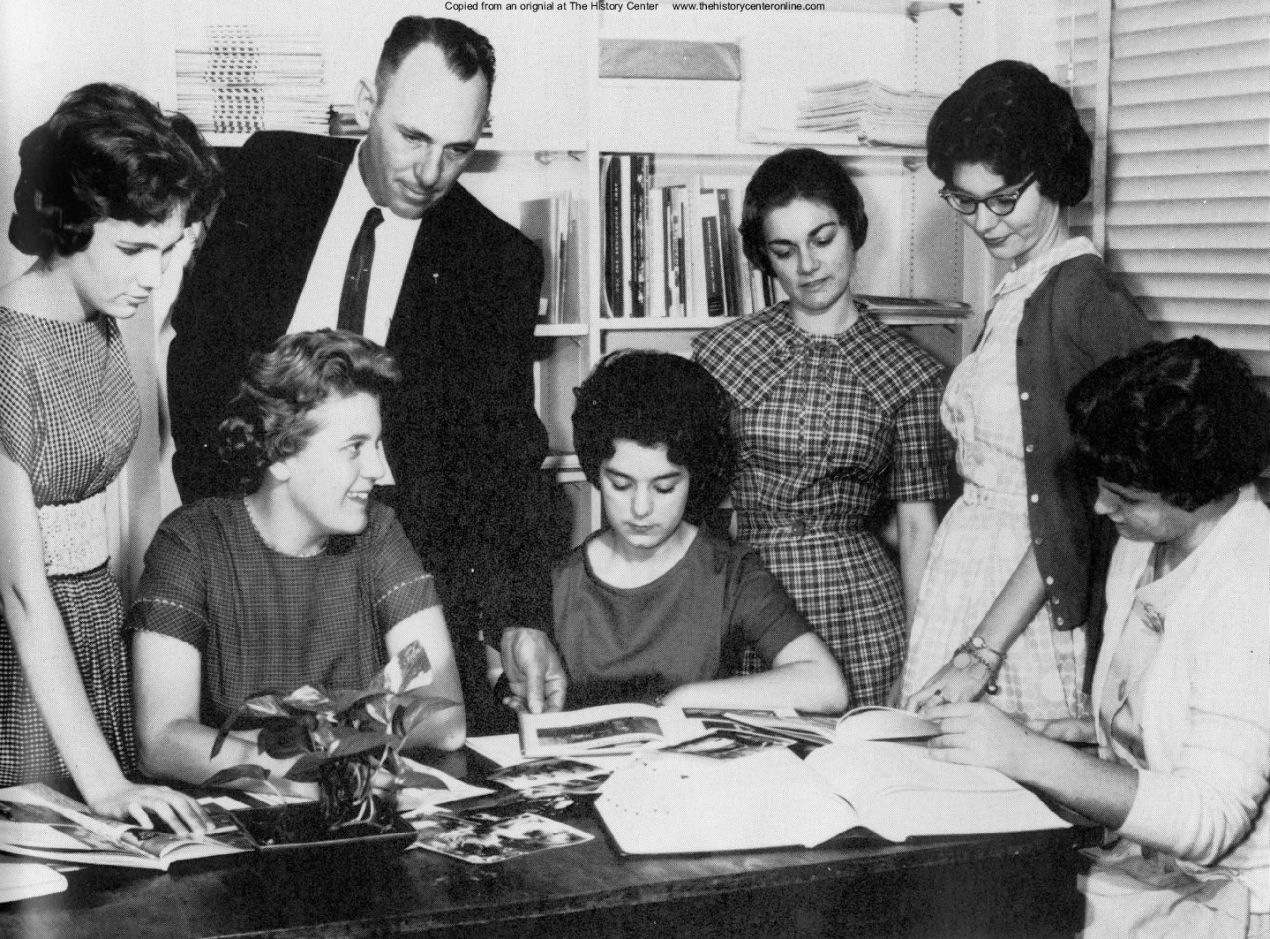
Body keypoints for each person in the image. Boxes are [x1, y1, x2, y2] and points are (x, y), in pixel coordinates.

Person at [165, 16, 564, 732]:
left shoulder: (495, 261)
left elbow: (506, 460)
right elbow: (197, 360)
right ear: (363, 103)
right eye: (413, 137)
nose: (430, 172)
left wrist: (519, 617)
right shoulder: (269, 173)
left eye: (459, 149)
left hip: (397, 590)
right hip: (246, 560)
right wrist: (237, 530)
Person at [925, 337, 1270, 937]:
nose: (1102, 507)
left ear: (1203, 486)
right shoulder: (1146, 544)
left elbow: (1208, 819)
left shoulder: (1251, 582)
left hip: (1231, 896)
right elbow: (1188, 707)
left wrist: (1030, 755)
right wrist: (1094, 733)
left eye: (1127, 496)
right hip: (1147, 868)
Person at [902, 60, 1153, 720]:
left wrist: (982, 651)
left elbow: (1077, 502)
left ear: (1055, 175)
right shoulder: (1021, 289)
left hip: (1024, 611)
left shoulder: (1084, 300)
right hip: (973, 581)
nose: (983, 222)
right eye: (964, 200)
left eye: (1003, 198)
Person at [0, 83, 220, 834]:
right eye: (133, 248)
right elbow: (22, 592)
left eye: (170, 247)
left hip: (93, 625)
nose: (154, 276)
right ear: (71, 221)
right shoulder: (6, 355)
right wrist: (105, 785)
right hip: (20, 658)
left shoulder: (100, 319)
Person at [130, 331, 465, 796]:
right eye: (354, 448)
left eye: (377, 445)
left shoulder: (380, 534)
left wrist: (267, 747)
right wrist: (329, 750)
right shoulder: (191, 543)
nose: (378, 470)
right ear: (282, 454)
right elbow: (162, 740)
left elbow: (445, 717)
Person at [693, 148, 953, 708]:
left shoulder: (912, 374)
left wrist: (922, 659)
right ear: (764, 258)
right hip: (745, 594)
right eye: (784, 250)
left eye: (823, 238)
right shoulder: (720, 353)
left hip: (859, 604)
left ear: (854, 230)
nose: (807, 265)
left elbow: (916, 528)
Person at [536, 350, 848, 713]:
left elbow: (827, 685)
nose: (640, 509)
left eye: (664, 487)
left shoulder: (729, 572)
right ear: (596, 472)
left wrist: (687, 699)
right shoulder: (560, 580)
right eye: (621, 485)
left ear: (694, 478)